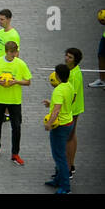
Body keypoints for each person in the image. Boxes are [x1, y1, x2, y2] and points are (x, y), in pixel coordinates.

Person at [44, 63, 74, 193]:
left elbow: (56, 111)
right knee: (59, 154)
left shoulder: (58, 90)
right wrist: (51, 104)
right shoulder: (69, 86)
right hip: (68, 122)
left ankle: (65, 187)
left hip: (59, 126)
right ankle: (58, 180)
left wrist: (48, 124)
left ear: (57, 75)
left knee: (59, 156)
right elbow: (68, 101)